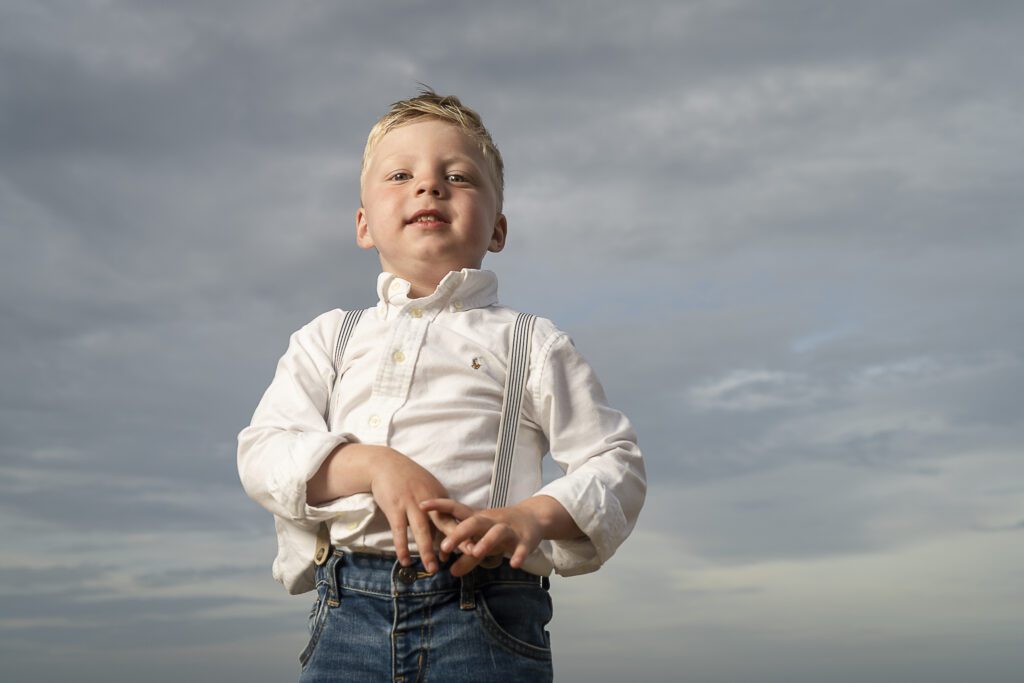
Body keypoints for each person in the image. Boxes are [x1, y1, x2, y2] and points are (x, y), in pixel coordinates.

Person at [237, 89, 646, 682]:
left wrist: (532, 516)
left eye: (458, 176)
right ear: (362, 225)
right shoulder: (329, 339)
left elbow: (616, 463)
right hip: (347, 611)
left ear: (498, 229)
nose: (428, 187)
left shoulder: (532, 343)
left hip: (484, 611)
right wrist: (372, 465)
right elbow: (264, 452)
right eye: (400, 175)